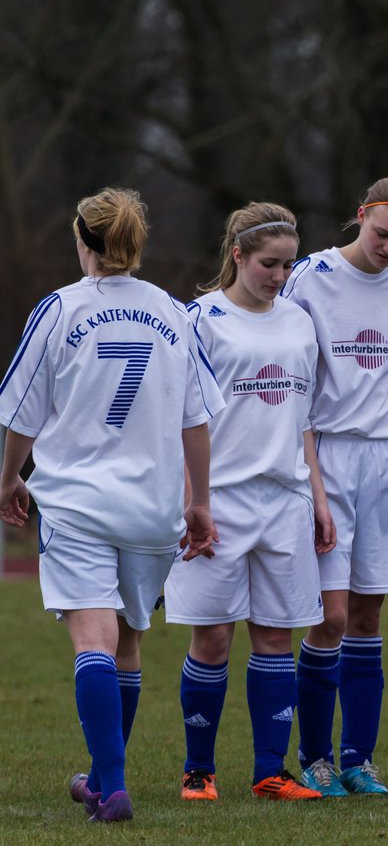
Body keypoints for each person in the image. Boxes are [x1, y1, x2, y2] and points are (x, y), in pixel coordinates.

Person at [0, 188, 223, 823]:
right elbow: (197, 421)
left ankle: (114, 787)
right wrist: (198, 502)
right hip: (153, 509)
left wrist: (10, 478)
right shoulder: (174, 313)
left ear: (83, 240)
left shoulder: (62, 309)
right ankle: (100, 778)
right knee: (126, 643)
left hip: (76, 504)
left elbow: (22, 412)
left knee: (92, 642)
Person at [164, 203, 332, 803]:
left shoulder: (299, 322)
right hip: (219, 502)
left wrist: (317, 494)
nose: (279, 276)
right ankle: (198, 771)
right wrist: (192, 503)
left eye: (288, 264)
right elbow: (179, 420)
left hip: (284, 500)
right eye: (268, 263)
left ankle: (269, 771)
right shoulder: (198, 320)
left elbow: (304, 418)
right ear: (236, 254)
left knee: (276, 638)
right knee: (212, 640)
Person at [281, 178, 388, 797]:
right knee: (332, 614)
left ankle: (358, 760)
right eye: (381, 234)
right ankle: (315, 757)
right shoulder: (311, 277)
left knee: (369, 613)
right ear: (359, 218)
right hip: (326, 456)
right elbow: (286, 361)